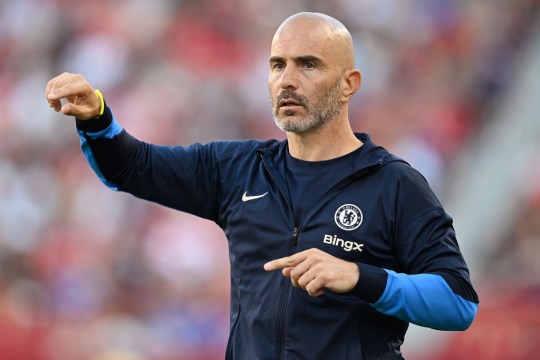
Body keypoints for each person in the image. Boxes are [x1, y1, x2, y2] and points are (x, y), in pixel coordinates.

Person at [46, 12, 479, 360]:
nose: (287, 79)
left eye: (308, 64)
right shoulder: (237, 168)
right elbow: (134, 167)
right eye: (278, 65)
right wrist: (97, 117)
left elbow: (459, 302)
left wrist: (361, 277)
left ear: (350, 84)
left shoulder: (394, 183)